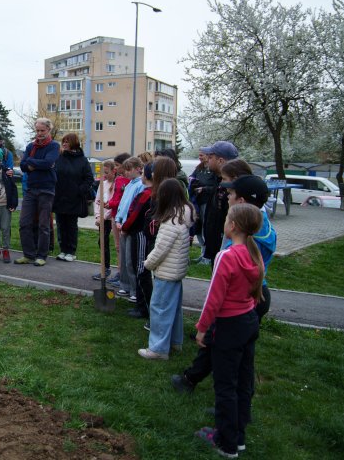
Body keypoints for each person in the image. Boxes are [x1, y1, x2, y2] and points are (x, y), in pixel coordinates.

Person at [172, 168, 276, 396]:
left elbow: (218, 294)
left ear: (240, 201)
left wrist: (203, 326)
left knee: (225, 351)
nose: (226, 197)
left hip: (242, 301)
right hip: (254, 298)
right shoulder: (258, 225)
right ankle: (198, 382)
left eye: (230, 194)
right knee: (239, 354)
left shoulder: (242, 242)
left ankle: (222, 401)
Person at [193, 203, 264, 458]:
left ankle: (226, 443)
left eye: (226, 219)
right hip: (248, 322)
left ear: (232, 226)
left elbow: (215, 297)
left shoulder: (227, 255)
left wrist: (202, 329)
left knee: (225, 385)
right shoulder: (252, 254)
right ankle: (238, 436)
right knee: (243, 382)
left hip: (229, 326)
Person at [138, 178, 195, 360]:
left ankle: (158, 348)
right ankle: (174, 341)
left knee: (160, 309)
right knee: (173, 309)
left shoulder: (171, 222)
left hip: (166, 273)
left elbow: (161, 249)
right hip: (176, 272)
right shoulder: (183, 215)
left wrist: (147, 264)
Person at [15, 118, 60, 267]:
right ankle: (28, 255)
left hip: (46, 189)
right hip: (31, 189)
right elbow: (22, 166)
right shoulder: (30, 146)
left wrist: (31, 162)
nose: (39, 133)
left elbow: (48, 163)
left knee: (43, 225)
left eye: (42, 130)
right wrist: (35, 164)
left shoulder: (54, 146)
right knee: (24, 223)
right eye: (37, 130)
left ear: (48, 130)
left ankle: (41, 256)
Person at [52, 133, 94, 262]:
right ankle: (63, 250)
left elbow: (89, 178)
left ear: (74, 143)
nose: (64, 144)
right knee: (60, 224)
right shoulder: (58, 157)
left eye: (67, 142)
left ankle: (71, 251)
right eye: (63, 141)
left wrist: (79, 190)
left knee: (71, 225)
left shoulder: (82, 160)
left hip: (73, 198)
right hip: (59, 197)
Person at [200, 141, 239, 263]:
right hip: (215, 245)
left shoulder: (232, 187)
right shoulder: (218, 180)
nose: (207, 160)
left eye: (210, 157)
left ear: (221, 161)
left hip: (224, 248)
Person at [112, 157, 146, 297]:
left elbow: (134, 207)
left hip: (131, 226)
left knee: (131, 259)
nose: (126, 172)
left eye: (129, 169)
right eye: (125, 169)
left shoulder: (140, 185)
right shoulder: (130, 184)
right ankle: (125, 285)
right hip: (122, 224)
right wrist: (119, 219)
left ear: (138, 168)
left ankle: (134, 289)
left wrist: (125, 222)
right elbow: (123, 205)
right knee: (124, 259)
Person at [105, 152, 131, 285]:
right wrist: (109, 204)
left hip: (123, 217)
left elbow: (121, 199)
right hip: (115, 215)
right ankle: (120, 272)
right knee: (118, 246)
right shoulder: (119, 179)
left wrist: (110, 203)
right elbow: (115, 197)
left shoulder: (128, 181)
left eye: (117, 165)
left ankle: (124, 275)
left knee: (123, 247)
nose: (115, 168)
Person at [189, 150, 218, 264]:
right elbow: (192, 177)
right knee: (198, 228)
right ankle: (203, 253)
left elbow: (216, 186)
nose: (199, 157)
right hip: (197, 202)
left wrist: (204, 189)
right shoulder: (199, 168)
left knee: (206, 228)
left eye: (202, 155)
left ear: (208, 156)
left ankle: (207, 256)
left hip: (207, 203)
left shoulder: (213, 171)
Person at [92, 159, 116, 280]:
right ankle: (105, 268)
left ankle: (109, 269)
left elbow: (114, 204)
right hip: (102, 218)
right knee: (101, 242)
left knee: (108, 242)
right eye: (102, 172)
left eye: (106, 172)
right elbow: (97, 201)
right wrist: (97, 216)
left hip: (110, 217)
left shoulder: (116, 185)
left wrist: (104, 217)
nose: (104, 175)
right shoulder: (103, 183)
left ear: (113, 171)